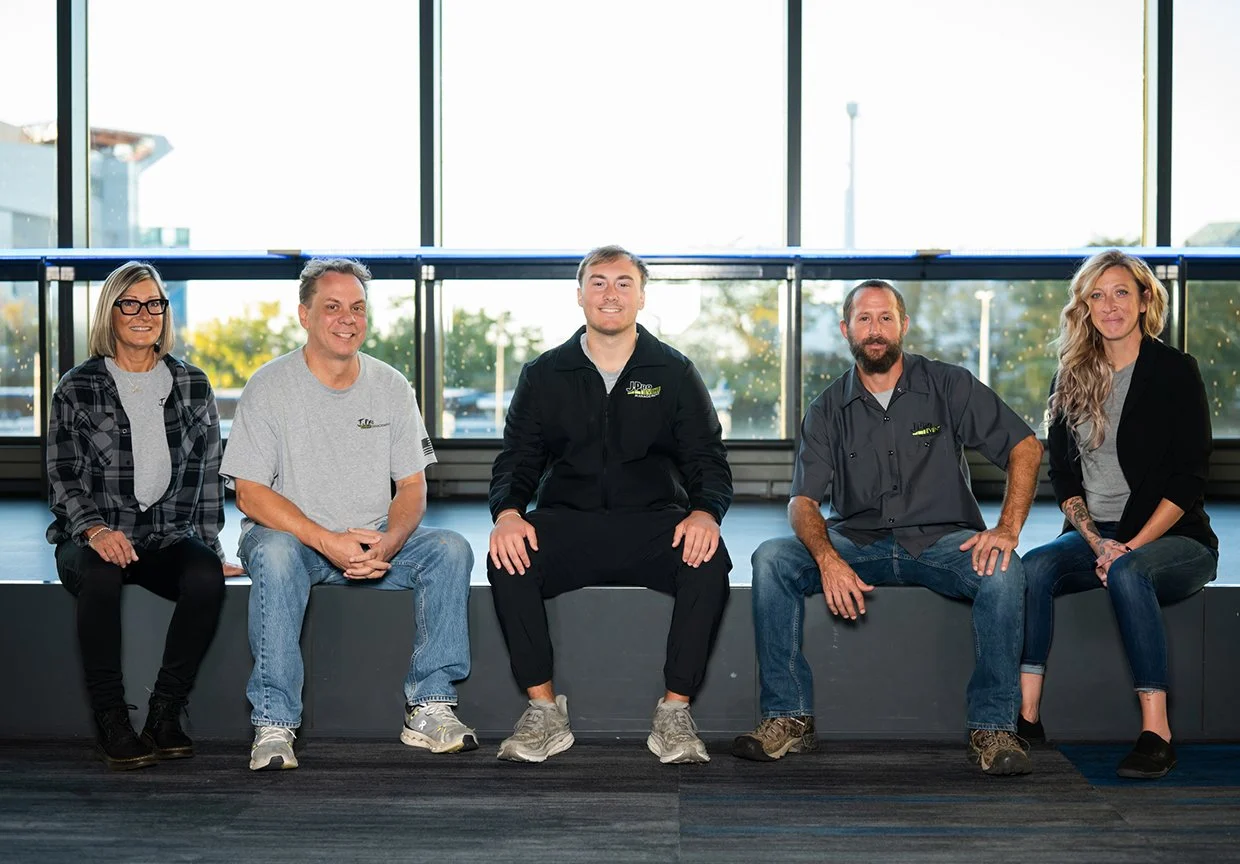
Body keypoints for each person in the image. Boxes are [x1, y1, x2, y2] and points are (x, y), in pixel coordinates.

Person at [738, 279, 1044, 776]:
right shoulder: (827, 407)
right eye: (864, 319)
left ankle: (993, 728)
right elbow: (802, 501)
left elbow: (1025, 446)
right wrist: (827, 558)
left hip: (943, 542)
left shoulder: (948, 384)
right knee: (772, 558)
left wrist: (1008, 528)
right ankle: (788, 717)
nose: (875, 329)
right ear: (846, 330)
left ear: (903, 325)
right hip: (860, 543)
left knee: (1006, 572)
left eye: (885, 318)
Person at [220, 258, 475, 771]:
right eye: (332, 307)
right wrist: (325, 540)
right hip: (293, 540)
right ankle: (274, 722)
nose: (347, 318)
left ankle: (429, 706)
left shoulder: (391, 385)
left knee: (451, 548)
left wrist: (390, 541)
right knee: (272, 551)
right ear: (304, 315)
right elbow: (249, 494)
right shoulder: (269, 386)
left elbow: (411, 486)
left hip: (371, 539)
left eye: (357, 308)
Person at [487, 245, 732, 764]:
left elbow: (707, 459)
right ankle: (545, 712)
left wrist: (705, 511)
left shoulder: (673, 370)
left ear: (641, 296)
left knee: (710, 559)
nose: (610, 293)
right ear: (579, 296)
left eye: (624, 283)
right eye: (598, 282)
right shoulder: (544, 373)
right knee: (506, 556)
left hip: (653, 522)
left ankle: (674, 711)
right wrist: (508, 513)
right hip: (567, 521)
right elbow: (517, 459)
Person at [1019, 250, 1217, 779]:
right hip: (1095, 537)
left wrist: (1128, 547)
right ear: (1084, 306)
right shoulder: (1071, 374)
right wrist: (1094, 540)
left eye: (1122, 292)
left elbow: (1189, 477)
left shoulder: (1174, 370)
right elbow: (1062, 474)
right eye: (1098, 295)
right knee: (1034, 568)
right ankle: (1027, 718)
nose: (1110, 305)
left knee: (1129, 571)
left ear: (1145, 299)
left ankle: (1157, 733)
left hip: (1175, 539)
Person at [47, 261, 241, 770]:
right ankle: (112, 717)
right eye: (129, 304)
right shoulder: (77, 387)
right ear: (110, 313)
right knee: (102, 576)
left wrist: (210, 549)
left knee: (203, 578)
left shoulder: (193, 385)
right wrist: (93, 529)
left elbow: (206, 475)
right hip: (91, 537)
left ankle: (165, 714)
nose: (143, 314)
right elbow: (63, 474)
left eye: (154, 303)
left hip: (164, 537)